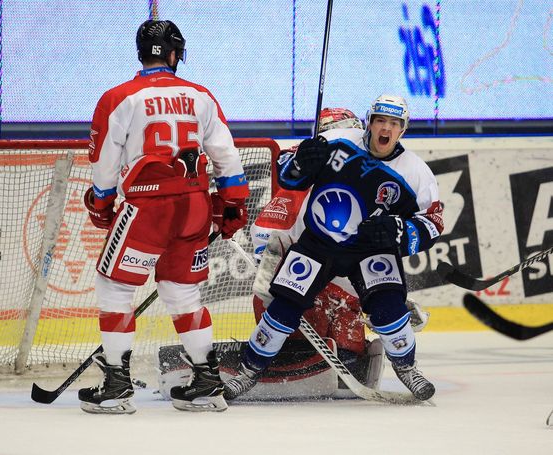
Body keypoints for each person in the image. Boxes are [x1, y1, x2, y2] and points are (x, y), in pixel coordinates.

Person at [224, 95, 444, 402]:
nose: (386, 129)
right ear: (369, 121)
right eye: (381, 120)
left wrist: (399, 231)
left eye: (394, 124)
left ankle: (407, 368)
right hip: (319, 243)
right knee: (284, 305)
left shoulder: (415, 172)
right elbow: (289, 174)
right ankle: (249, 371)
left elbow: (432, 223)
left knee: (389, 309)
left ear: (402, 130)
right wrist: (300, 163)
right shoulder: (336, 140)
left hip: (370, 249)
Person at [81, 19, 249, 414]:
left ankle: (117, 384)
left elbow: (105, 161)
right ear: (175, 54)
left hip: (147, 210)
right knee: (182, 291)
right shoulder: (200, 95)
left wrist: (102, 203)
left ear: (142, 53)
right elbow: (227, 156)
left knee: (115, 287)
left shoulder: (119, 97)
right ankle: (207, 382)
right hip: (193, 208)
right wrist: (232, 204)